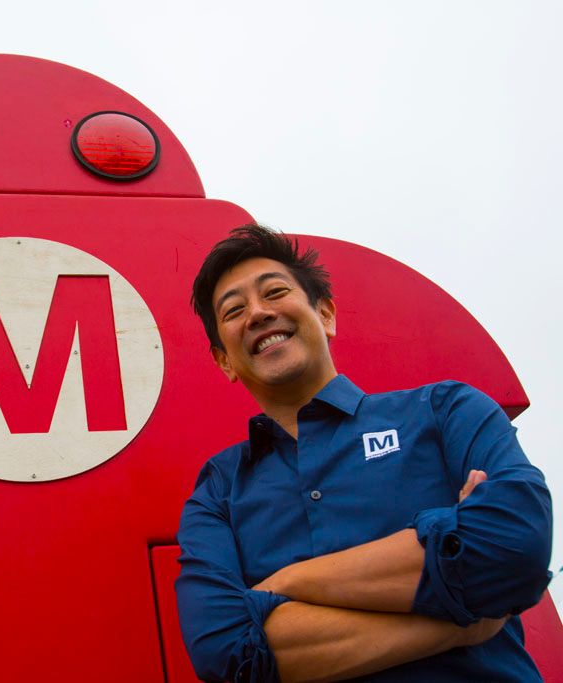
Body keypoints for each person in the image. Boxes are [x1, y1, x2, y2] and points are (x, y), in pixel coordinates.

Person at [176, 224, 553, 682]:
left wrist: (283, 586)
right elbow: (224, 652)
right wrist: (460, 623)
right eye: (234, 310)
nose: (257, 313)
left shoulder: (445, 412)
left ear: (326, 314)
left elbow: (515, 547)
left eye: (274, 292)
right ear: (225, 362)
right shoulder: (218, 491)